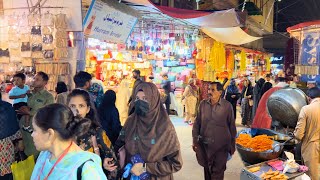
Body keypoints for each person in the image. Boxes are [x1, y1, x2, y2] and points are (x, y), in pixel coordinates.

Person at [116, 82, 182, 180]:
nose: (140, 102)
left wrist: (145, 168)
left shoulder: (165, 127)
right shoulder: (131, 121)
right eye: (137, 99)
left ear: (154, 100)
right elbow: (119, 146)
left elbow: (176, 163)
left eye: (145, 99)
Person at [30, 103, 107, 179]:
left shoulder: (86, 167)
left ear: (50, 133)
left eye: (35, 130)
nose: (32, 134)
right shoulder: (44, 155)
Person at [67, 89, 118, 179]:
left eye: (81, 106)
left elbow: (113, 162)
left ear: (88, 109)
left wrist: (105, 164)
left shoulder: (96, 132)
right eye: (72, 106)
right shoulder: (61, 132)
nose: (76, 110)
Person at [192, 82, 236, 180]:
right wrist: (195, 140)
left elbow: (232, 126)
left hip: (221, 146)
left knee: (218, 172)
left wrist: (232, 145)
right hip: (205, 145)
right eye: (209, 89)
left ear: (220, 92)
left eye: (213, 90)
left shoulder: (227, 106)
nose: (209, 92)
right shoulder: (203, 104)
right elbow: (197, 123)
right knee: (207, 170)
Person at [17, 71, 54, 158]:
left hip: (37, 135)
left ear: (45, 82)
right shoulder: (29, 94)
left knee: (37, 162)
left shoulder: (48, 97)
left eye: (37, 79)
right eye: (34, 78)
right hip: (24, 133)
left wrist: (29, 112)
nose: (34, 80)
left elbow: (49, 114)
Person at [294, 87, 320, 180]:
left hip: (312, 148)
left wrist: (295, 134)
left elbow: (299, 135)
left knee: (312, 176)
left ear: (309, 98)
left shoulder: (306, 109)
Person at [0, 93, 22, 180]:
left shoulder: (7, 108)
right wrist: (19, 141)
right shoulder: (7, 108)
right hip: (5, 149)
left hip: (5, 149)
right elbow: (14, 127)